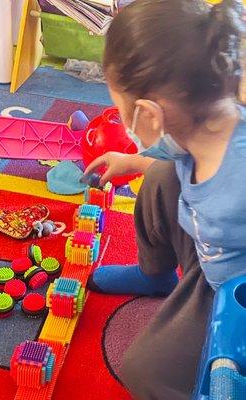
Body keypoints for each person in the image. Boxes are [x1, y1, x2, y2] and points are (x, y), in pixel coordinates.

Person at [82, 0, 246, 399]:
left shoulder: (238, 185)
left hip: (230, 292)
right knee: (157, 174)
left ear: (149, 115)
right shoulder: (206, 117)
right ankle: (154, 273)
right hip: (212, 243)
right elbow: (170, 154)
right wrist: (132, 159)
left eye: (120, 112)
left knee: (146, 372)